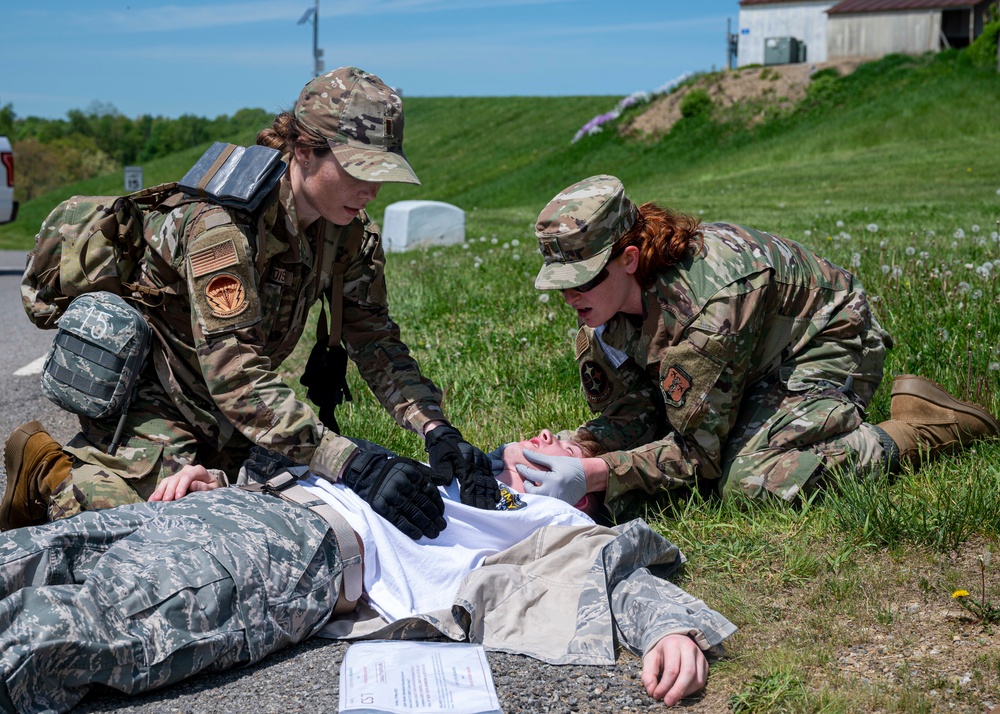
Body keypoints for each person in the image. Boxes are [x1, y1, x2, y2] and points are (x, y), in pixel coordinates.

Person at [1, 66, 498, 538]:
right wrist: (350, 459)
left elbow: (374, 340)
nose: (371, 189)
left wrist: (435, 428)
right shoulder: (222, 226)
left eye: (381, 172)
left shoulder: (347, 233)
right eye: (356, 170)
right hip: (154, 398)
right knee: (167, 530)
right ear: (304, 151)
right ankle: (50, 473)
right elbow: (235, 370)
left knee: (294, 510)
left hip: (234, 412)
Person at [0, 439, 736, 714]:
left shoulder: (552, 524)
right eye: (539, 433)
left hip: (293, 558)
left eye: (561, 444)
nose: (541, 440)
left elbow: (617, 568)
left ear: (581, 480)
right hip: (243, 502)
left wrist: (668, 626)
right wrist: (216, 476)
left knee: (66, 634)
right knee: (31, 553)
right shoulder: (456, 464)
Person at [513, 174, 1000, 511]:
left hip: (822, 340)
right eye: (560, 281)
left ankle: (925, 428)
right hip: (743, 357)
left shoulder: (706, 310)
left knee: (747, 479)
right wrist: (578, 447)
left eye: (583, 279)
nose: (569, 295)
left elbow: (696, 457)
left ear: (630, 258)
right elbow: (639, 416)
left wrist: (595, 475)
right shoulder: (600, 312)